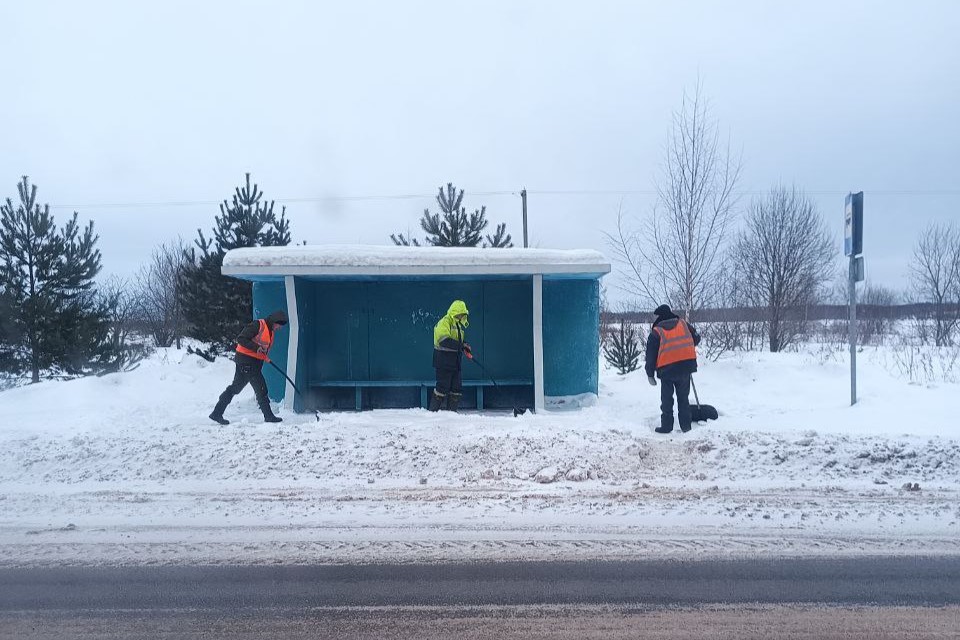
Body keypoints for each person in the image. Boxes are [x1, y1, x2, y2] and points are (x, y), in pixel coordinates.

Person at [209, 310, 289, 425]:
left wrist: (264, 356)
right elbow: (241, 338)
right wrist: (256, 348)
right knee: (261, 389)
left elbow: (262, 348)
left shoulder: (270, 330)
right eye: (278, 325)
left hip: (250, 362)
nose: (279, 328)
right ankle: (269, 416)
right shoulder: (258, 325)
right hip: (247, 362)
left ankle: (217, 413)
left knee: (235, 388)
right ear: (274, 321)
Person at [645, 304, 701, 433]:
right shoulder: (683, 324)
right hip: (685, 367)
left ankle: (666, 426)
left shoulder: (657, 332)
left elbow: (650, 355)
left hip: (667, 370)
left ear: (659, 317)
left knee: (667, 399)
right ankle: (686, 427)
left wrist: (650, 374)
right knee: (683, 399)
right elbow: (696, 338)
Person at [430, 300, 471, 412]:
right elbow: (444, 340)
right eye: (462, 313)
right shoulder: (445, 322)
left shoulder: (458, 324)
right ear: (456, 312)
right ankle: (432, 414)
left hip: (455, 362)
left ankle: (451, 415)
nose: (463, 316)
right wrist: (461, 345)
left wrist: (464, 345)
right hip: (443, 361)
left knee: (456, 388)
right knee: (442, 388)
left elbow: (457, 341)